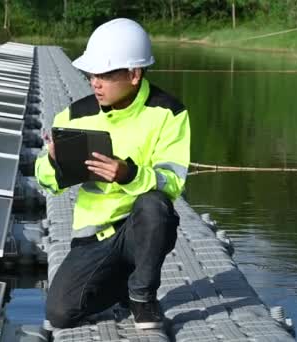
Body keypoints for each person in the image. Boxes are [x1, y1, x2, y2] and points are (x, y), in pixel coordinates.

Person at [36, 18, 190, 330]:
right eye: (92, 74)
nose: (95, 82)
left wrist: (129, 174)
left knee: (154, 205)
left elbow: (172, 181)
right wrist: (54, 162)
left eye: (105, 74)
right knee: (60, 314)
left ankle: (142, 297)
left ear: (134, 74)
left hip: (141, 231)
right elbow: (44, 179)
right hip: (93, 239)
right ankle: (120, 286)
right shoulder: (76, 114)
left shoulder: (169, 113)